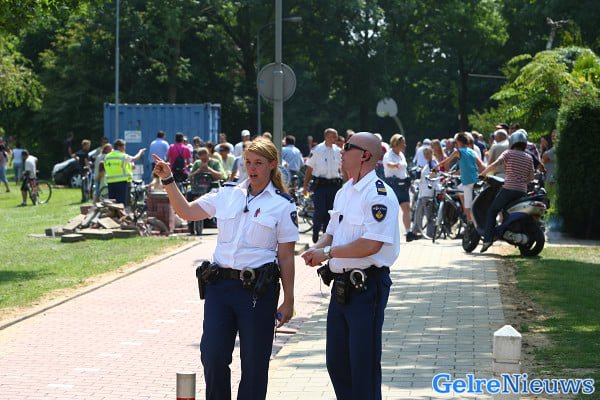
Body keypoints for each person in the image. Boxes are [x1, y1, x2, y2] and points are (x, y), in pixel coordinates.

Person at [151, 138, 297, 400]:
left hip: (257, 292)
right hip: (220, 287)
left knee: (254, 363)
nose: (252, 168)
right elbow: (186, 211)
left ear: (272, 164)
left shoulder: (283, 205)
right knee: (213, 355)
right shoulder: (226, 193)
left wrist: (289, 299)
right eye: (248, 162)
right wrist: (168, 180)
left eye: (258, 163)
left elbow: (286, 257)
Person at [301, 132, 400, 400]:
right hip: (341, 286)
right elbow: (332, 232)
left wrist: (326, 253)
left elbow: (371, 244)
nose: (341, 151)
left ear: (365, 155)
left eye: (347, 147)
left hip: (367, 287)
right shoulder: (344, 191)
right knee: (337, 363)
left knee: (362, 366)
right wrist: (317, 249)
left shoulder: (379, 194)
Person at [479, 129, 534, 253]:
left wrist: (483, 173)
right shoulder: (529, 157)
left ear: (512, 141)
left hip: (508, 189)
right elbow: (531, 177)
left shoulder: (508, 153)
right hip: (522, 191)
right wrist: (522, 181)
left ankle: (487, 239)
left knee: (492, 210)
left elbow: (495, 164)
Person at [303, 128, 343, 243]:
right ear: (326, 137)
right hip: (320, 185)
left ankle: (325, 238)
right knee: (320, 211)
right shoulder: (317, 150)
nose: (335, 139)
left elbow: (343, 169)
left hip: (334, 185)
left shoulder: (338, 151)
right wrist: (305, 186)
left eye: (336, 136)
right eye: (333, 136)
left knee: (330, 213)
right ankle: (315, 231)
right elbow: (309, 168)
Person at [435, 132, 485, 223]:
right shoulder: (472, 151)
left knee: (467, 204)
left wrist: (435, 168)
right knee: (462, 192)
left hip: (467, 182)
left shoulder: (458, 152)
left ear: (458, 142)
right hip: (476, 180)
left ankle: (469, 221)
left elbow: (446, 161)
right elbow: (481, 166)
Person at [383, 134, 417, 241]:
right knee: (392, 210)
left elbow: (404, 169)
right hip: (393, 184)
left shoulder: (401, 154)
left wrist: (409, 181)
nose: (405, 145)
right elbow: (388, 164)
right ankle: (389, 233)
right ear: (396, 144)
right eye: (403, 143)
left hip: (403, 184)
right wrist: (394, 165)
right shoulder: (389, 154)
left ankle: (408, 232)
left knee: (406, 208)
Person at [104, 139, 146, 206]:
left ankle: (113, 213)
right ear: (119, 147)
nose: (125, 148)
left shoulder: (107, 156)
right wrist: (140, 152)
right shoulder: (123, 156)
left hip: (110, 182)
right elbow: (134, 159)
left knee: (112, 203)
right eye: (124, 146)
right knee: (122, 203)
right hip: (122, 182)